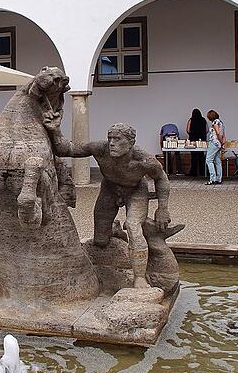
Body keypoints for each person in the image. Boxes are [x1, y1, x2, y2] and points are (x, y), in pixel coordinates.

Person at [42, 117, 171, 288]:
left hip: (135, 191)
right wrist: (54, 129)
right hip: (109, 189)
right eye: (110, 138)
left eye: (117, 139)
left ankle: (139, 278)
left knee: (133, 226)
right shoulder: (100, 149)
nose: (111, 143)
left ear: (130, 142)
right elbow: (66, 149)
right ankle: (116, 231)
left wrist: (162, 209)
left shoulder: (144, 161)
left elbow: (162, 179)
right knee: (101, 241)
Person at [205, 110, 225, 185]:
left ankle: (212, 179)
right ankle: (219, 179)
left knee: (209, 160)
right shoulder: (221, 123)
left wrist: (219, 141)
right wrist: (222, 143)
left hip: (214, 143)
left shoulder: (215, 123)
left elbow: (218, 133)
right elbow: (223, 135)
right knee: (217, 161)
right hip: (218, 144)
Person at [186, 108, 208, 177]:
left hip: (193, 140)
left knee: (194, 157)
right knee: (201, 156)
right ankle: (202, 172)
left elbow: (188, 130)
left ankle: (193, 172)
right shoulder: (204, 120)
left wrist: (191, 134)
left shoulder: (191, 120)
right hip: (202, 140)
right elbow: (207, 130)